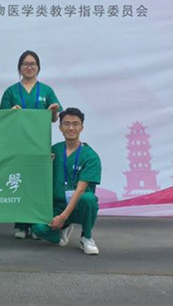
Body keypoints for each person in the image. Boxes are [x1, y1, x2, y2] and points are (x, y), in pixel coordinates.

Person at [0, 50, 61, 239]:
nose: (29, 67)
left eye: (33, 64)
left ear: (38, 68)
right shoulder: (11, 91)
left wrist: (53, 111)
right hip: (18, 144)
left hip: (40, 144)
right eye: (25, 64)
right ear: (19, 67)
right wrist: (11, 112)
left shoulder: (46, 91)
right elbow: (1, 118)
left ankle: (37, 224)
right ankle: (20, 224)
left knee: (38, 184)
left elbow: (54, 118)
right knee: (20, 182)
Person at [31, 107, 102, 255]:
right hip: (57, 205)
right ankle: (61, 235)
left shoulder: (90, 156)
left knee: (88, 199)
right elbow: (38, 175)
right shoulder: (54, 150)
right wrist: (45, 163)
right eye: (66, 124)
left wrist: (63, 217)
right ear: (60, 128)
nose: (71, 128)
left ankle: (87, 237)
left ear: (81, 128)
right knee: (37, 228)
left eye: (75, 124)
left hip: (78, 205)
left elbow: (81, 189)